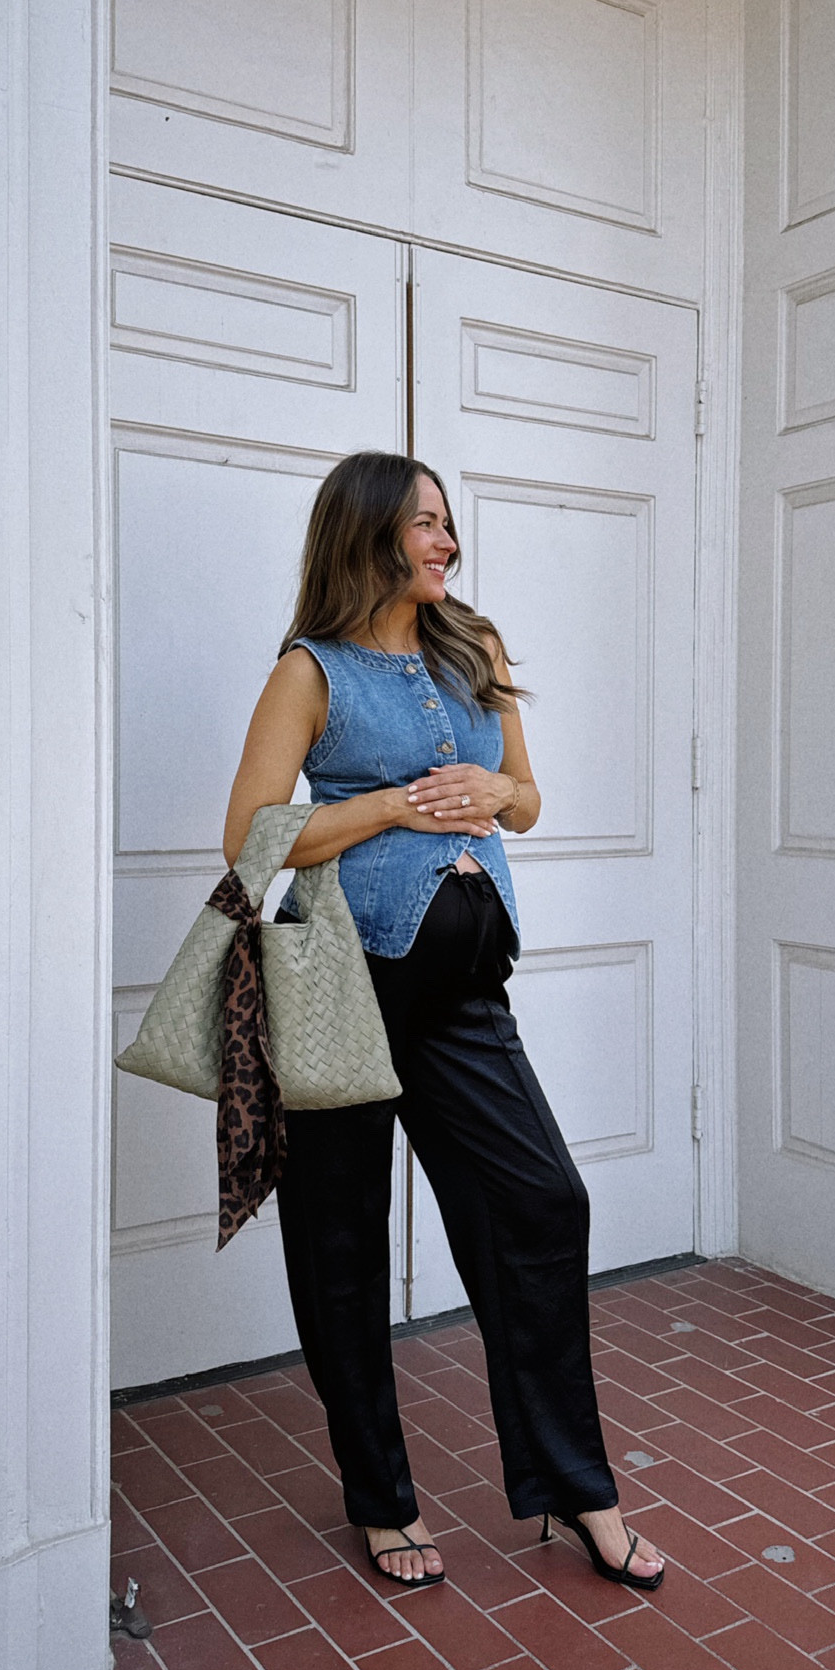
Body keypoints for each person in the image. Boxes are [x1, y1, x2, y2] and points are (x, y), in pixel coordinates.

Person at [222, 449, 665, 1594]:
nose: (446, 540)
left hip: (462, 988)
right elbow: (252, 836)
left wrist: (495, 793)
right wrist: (387, 805)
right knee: (343, 1240)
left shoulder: (476, 647)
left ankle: (575, 1485)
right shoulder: (310, 670)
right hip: (342, 982)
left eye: (448, 522)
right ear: (368, 532)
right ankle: (381, 1496)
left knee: (544, 1198)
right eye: (425, 522)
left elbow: (528, 795)